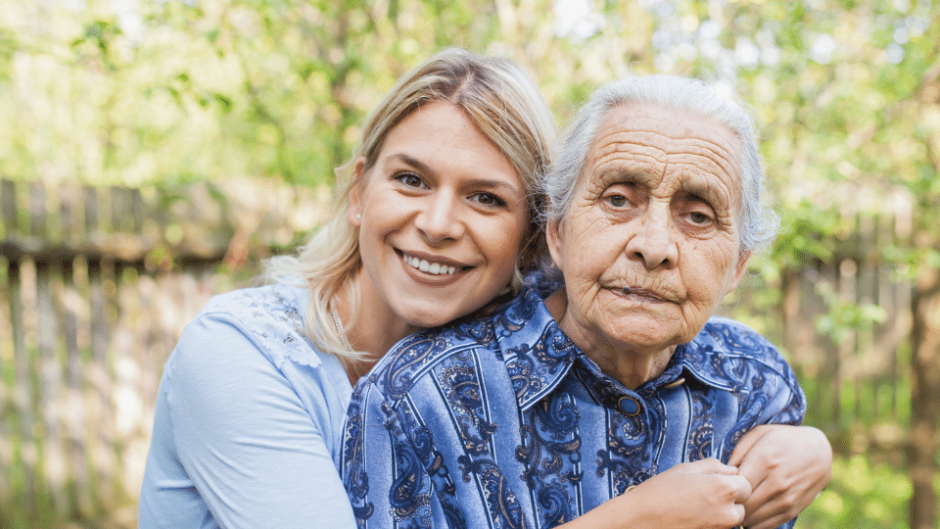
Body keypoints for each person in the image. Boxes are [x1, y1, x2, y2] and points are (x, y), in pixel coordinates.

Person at [138, 48, 828, 529]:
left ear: (534, 231)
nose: (437, 224)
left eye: (485, 198)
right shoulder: (243, 355)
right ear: (358, 191)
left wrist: (809, 444)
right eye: (410, 178)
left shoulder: (735, 372)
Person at [341, 74, 830, 529]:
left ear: (739, 265)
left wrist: (817, 445)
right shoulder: (417, 397)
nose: (654, 246)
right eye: (618, 199)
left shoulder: (755, 384)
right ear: (557, 229)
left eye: (698, 216)